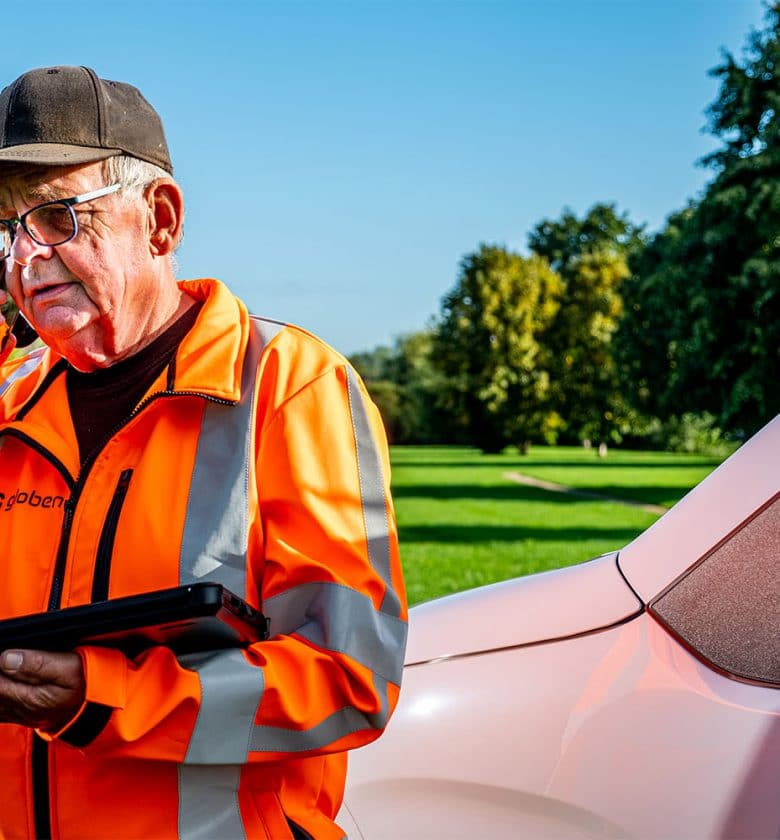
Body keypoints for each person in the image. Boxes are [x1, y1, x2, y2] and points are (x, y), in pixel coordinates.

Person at [0, 65, 407, 840]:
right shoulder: (10, 398)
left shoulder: (289, 386)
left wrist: (102, 696)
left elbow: (350, 679)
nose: (24, 258)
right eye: (5, 229)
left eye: (57, 216)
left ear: (160, 219)